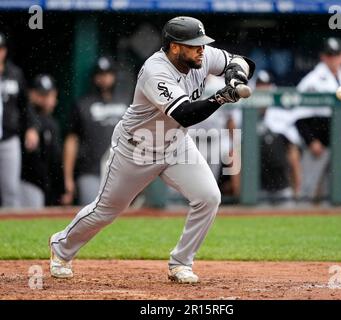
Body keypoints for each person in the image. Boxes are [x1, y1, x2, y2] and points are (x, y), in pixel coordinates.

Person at [49, 16, 255, 283]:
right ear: (174, 47)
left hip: (176, 145)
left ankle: (181, 262)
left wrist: (235, 76)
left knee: (208, 197)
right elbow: (184, 114)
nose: (201, 49)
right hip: (136, 149)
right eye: (194, 45)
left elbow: (243, 61)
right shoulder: (154, 71)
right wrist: (220, 97)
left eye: (202, 44)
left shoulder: (202, 57)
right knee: (106, 210)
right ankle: (61, 246)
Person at [294, 38, 341, 201]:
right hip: (317, 143)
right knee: (308, 188)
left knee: (336, 189)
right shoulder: (311, 80)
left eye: (336, 54)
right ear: (323, 57)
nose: (333, 58)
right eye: (330, 55)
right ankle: (301, 219)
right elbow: (299, 115)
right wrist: (311, 141)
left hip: (339, 142)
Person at [61, 56, 128, 206]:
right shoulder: (83, 104)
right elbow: (71, 141)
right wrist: (68, 178)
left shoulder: (126, 103)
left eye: (108, 74)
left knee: (121, 219)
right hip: (90, 171)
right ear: (94, 78)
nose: (104, 79)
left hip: (121, 173)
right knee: (90, 214)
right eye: (100, 75)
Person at [0, 32, 39, 208]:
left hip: (9, 138)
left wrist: (31, 127)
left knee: (10, 189)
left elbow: (25, 106)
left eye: (1, 48)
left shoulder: (14, 73)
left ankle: (7, 232)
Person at [256, 70, 302, 204]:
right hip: (257, 186)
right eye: (260, 86)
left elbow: (294, 156)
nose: (263, 90)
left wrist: (297, 188)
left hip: (282, 184)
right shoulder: (245, 116)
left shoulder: (282, 115)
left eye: (266, 86)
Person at [20, 74, 64, 208]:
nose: (46, 100)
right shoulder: (23, 119)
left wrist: (61, 187)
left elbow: (55, 159)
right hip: (27, 182)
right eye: (41, 95)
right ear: (31, 94)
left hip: (47, 185)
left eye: (49, 95)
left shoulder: (52, 122)